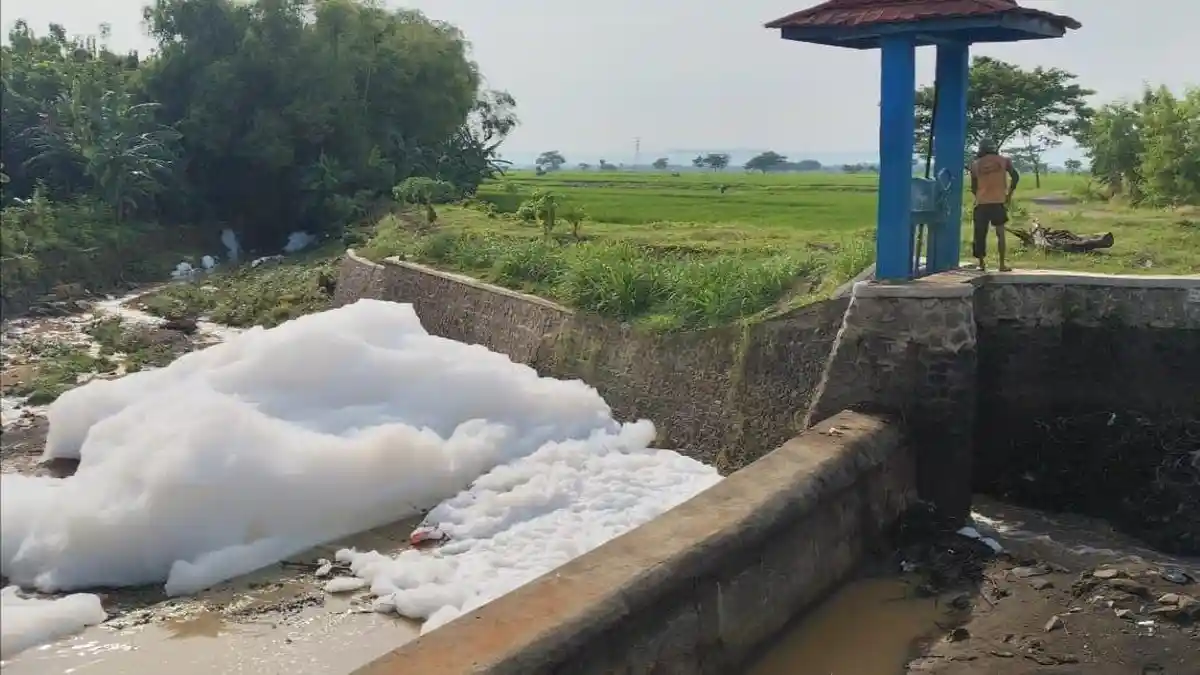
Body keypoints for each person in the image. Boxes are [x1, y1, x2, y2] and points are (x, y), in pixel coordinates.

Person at [968, 140, 1020, 272]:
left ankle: (981, 264)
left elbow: (973, 187)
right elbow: (1015, 176)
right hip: (998, 201)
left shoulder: (975, 164)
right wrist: (1009, 194)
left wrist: (979, 196)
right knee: (1000, 234)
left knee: (979, 235)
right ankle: (1002, 265)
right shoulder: (1004, 161)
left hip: (981, 203)